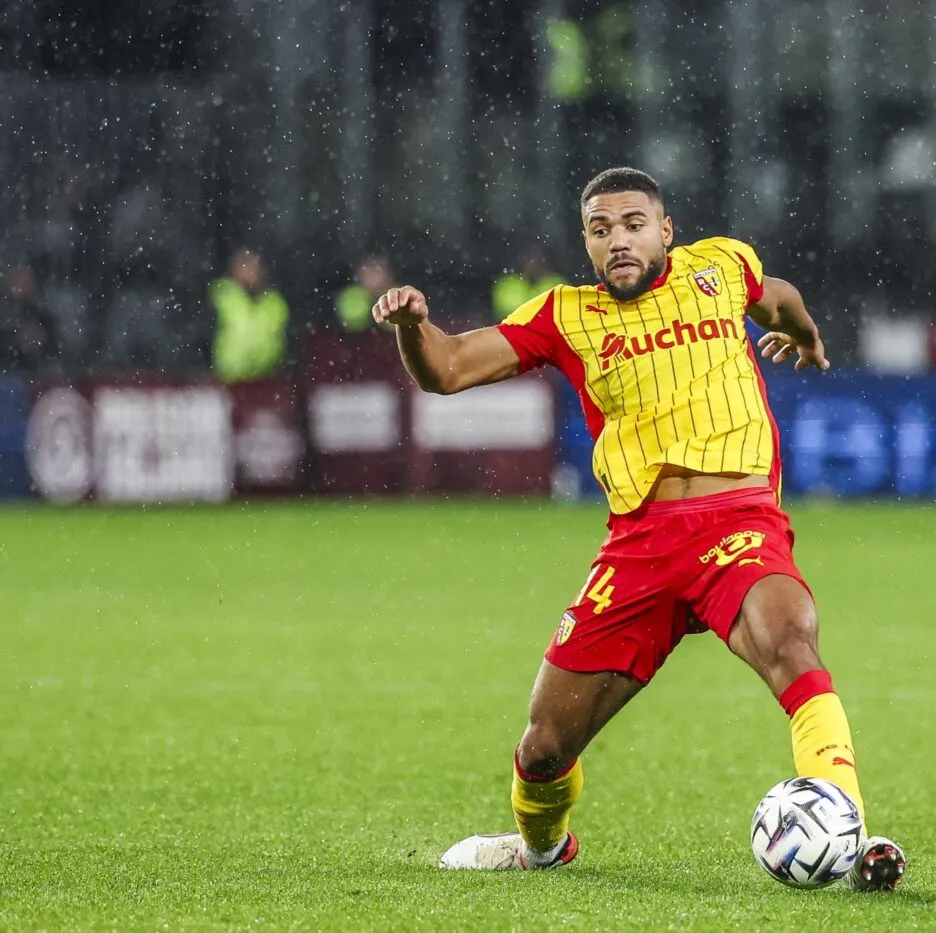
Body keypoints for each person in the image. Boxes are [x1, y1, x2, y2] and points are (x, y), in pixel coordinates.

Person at [372, 167, 906, 891]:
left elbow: (779, 298)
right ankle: (541, 848)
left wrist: (805, 338)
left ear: (666, 231)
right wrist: (413, 327)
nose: (617, 240)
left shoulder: (721, 266)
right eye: (600, 229)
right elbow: (447, 367)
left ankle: (848, 826)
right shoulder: (565, 315)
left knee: (789, 637)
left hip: (738, 521)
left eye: (631, 224)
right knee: (542, 749)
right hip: (641, 544)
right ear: (587, 243)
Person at [209, 248, 289, 383]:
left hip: (268, 379)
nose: (249, 272)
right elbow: (205, 332)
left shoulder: (274, 301)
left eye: (253, 266)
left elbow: (284, 338)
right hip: (227, 380)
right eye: (244, 266)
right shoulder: (221, 295)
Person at [491, 249, 566, 322]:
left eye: (537, 262)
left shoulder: (556, 284)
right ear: (522, 263)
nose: (533, 266)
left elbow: (563, 313)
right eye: (530, 261)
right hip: (513, 330)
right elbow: (502, 313)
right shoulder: (508, 284)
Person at [335, 254, 393, 332]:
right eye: (369, 270)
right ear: (358, 273)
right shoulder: (350, 295)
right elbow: (351, 322)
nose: (373, 275)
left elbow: (397, 324)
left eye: (377, 270)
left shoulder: (397, 293)